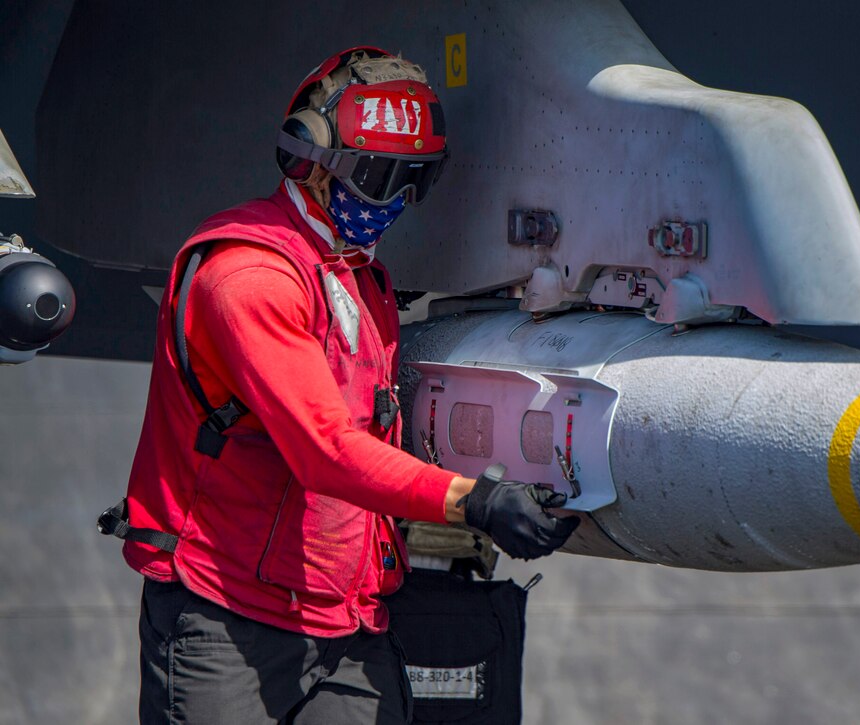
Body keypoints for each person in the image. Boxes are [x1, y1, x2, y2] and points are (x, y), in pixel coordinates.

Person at [98, 46, 579, 724]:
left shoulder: (358, 277)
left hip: (349, 623)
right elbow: (326, 450)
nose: (399, 203)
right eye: (381, 177)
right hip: (227, 624)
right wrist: (476, 500)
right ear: (315, 160)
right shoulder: (247, 278)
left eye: (418, 180)